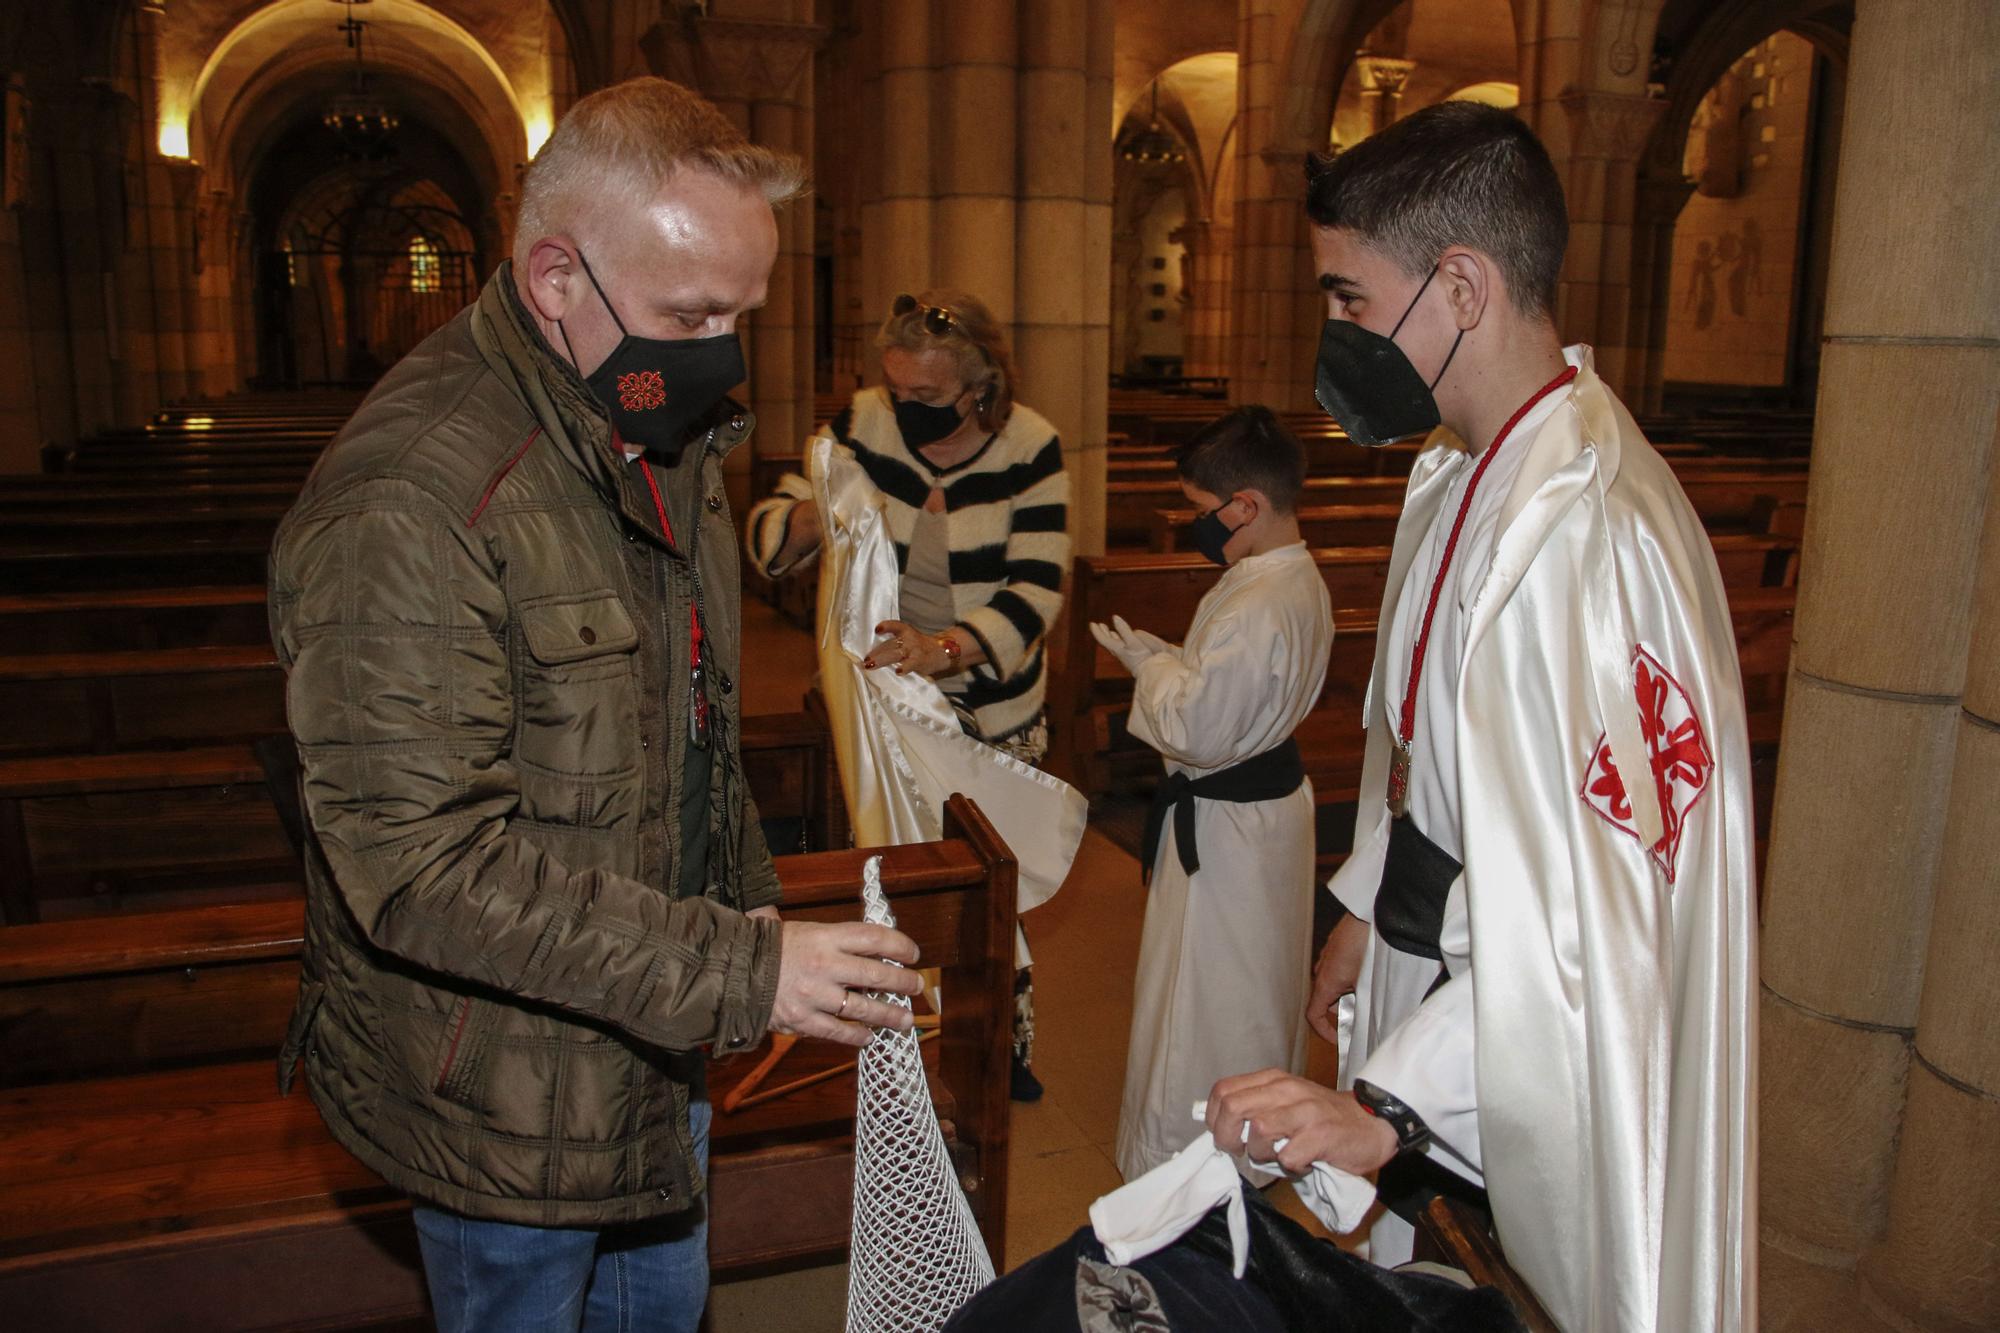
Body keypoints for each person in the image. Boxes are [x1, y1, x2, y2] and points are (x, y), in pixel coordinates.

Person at [267, 78, 923, 1333]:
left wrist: (747, 927)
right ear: (555, 274)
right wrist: (744, 968)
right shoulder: (409, 500)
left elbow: (690, 721)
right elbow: (418, 868)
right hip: (503, 1080)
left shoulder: (646, 418)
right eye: (690, 312)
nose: (722, 350)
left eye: (741, 311)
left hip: (653, 1020)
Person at [1206, 102, 1756, 1331]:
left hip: (1522, 1024)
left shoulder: (1585, 539)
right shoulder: (1457, 470)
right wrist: (1365, 909)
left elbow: (1592, 918)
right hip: (1442, 970)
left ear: (1459, 285)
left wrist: (1394, 1105)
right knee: (1426, 1281)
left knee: (1521, 1277)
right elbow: (1419, 755)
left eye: (1349, 299)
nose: (1334, 334)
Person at [746, 291, 1070, 1100]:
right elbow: (776, 517)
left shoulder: (1030, 445)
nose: (907, 409)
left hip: (991, 707)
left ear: (979, 385)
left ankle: (1000, 1047)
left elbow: (1036, 591)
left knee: (993, 890)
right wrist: (808, 519)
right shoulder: (866, 421)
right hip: (884, 706)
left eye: (927, 396)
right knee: (896, 876)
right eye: (898, 391)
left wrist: (946, 648)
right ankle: (903, 1049)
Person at [1094, 407, 1333, 1184]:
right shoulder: (1291, 575)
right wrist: (1171, 659)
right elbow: (1236, 701)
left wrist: (1149, 671)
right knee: (1251, 986)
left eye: (1201, 512)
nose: (1194, 526)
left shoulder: (1257, 598)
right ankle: (1254, 1143)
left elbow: (1197, 728)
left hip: (1228, 831)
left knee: (1206, 996)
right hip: (1261, 813)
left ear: (1246, 506)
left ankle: (1192, 1160)